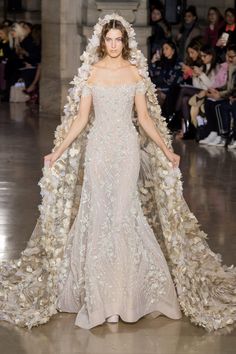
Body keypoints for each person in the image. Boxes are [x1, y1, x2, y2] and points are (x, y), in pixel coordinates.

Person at [0, 13, 236, 332]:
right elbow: (82, 120)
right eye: (108, 40)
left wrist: (167, 150)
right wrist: (57, 150)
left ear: (125, 42)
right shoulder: (92, 74)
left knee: (125, 215)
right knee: (99, 216)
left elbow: (144, 118)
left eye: (118, 39)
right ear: (102, 42)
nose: (113, 45)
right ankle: (103, 299)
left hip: (126, 150)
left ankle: (126, 297)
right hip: (98, 149)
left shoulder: (135, 73)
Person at [199, 44, 236, 146]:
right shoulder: (230, 67)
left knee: (220, 105)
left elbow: (232, 89)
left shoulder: (229, 68)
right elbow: (227, 86)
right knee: (210, 101)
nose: (229, 59)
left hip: (232, 97)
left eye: (232, 56)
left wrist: (220, 95)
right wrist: (216, 91)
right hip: (230, 95)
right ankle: (215, 133)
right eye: (227, 56)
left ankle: (224, 135)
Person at [149, 40, 183, 122]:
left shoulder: (178, 64)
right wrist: (153, 62)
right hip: (160, 90)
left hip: (171, 92)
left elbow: (171, 82)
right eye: (163, 49)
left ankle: (157, 123)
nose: (164, 51)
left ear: (173, 50)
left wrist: (160, 88)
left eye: (166, 48)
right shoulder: (162, 63)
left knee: (155, 97)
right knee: (149, 96)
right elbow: (152, 74)